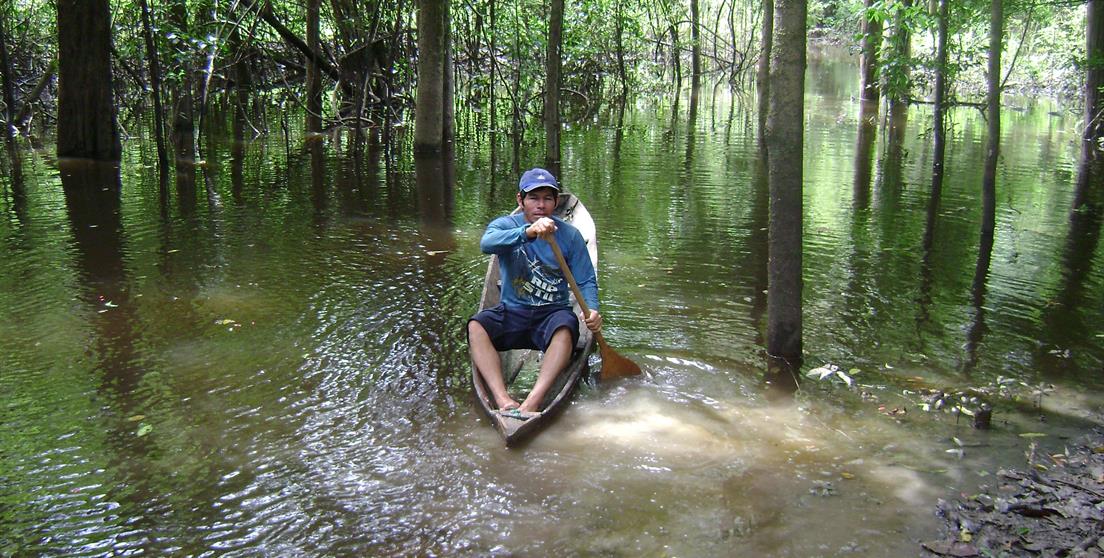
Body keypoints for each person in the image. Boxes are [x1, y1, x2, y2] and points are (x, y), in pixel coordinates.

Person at [467, 167, 602, 415]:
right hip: (513, 311)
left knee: (565, 328)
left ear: (555, 202)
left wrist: (592, 309)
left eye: (547, 198)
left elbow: (586, 281)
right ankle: (503, 399)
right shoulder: (505, 225)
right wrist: (527, 233)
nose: (540, 205)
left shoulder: (570, 236)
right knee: (477, 325)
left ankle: (533, 401)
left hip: (551, 315)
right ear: (520, 200)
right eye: (533, 198)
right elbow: (487, 244)